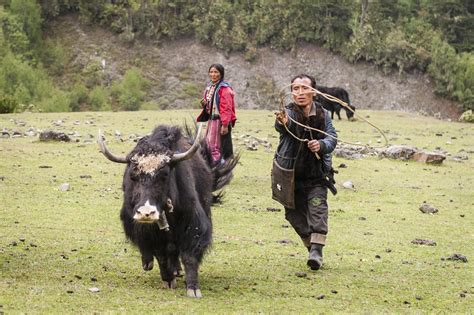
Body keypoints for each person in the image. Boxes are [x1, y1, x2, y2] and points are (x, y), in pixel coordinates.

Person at [273, 74, 337, 270]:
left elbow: (332, 138)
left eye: (304, 88)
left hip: (316, 175)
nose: (300, 93)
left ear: (313, 92)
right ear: (291, 93)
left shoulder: (323, 114)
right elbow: (285, 125)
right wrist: (283, 121)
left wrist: (321, 145)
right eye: (296, 89)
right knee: (293, 214)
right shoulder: (289, 112)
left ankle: (317, 251)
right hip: (289, 175)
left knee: (318, 209)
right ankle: (311, 246)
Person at [197, 64, 237, 164]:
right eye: (211, 72)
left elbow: (227, 108)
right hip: (211, 121)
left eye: (216, 72)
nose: (213, 74)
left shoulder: (225, 89)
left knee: (214, 146)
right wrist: (205, 104)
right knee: (208, 144)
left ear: (221, 74)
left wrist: (224, 125)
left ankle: (218, 168)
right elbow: (210, 107)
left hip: (219, 121)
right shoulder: (210, 88)